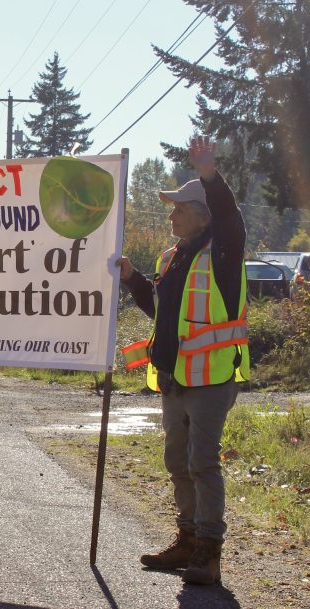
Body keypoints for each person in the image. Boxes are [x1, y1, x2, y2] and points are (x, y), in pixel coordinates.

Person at [116, 136, 248, 586]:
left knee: (202, 463)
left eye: (178, 208)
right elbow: (161, 312)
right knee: (177, 461)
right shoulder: (172, 257)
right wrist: (134, 280)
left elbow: (230, 216)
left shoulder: (224, 250)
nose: (171, 214)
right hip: (174, 379)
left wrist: (209, 174)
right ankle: (187, 541)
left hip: (210, 381)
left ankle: (209, 553)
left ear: (203, 214)